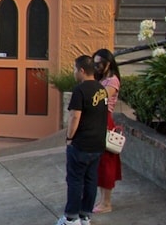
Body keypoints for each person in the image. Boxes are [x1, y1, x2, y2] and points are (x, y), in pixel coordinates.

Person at [58, 56, 108, 225]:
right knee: (91, 180)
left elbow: (74, 117)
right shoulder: (101, 89)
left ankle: (71, 218)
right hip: (97, 144)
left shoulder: (80, 91)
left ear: (81, 70)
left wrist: (70, 137)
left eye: (74, 69)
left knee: (75, 180)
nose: (73, 73)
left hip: (81, 144)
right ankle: (85, 215)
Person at [92, 50, 123, 214]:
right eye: (94, 64)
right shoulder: (100, 79)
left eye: (99, 64)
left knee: (107, 161)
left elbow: (100, 97)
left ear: (108, 64)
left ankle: (107, 202)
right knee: (99, 162)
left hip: (105, 120)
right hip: (97, 120)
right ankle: (102, 199)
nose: (96, 67)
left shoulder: (112, 81)